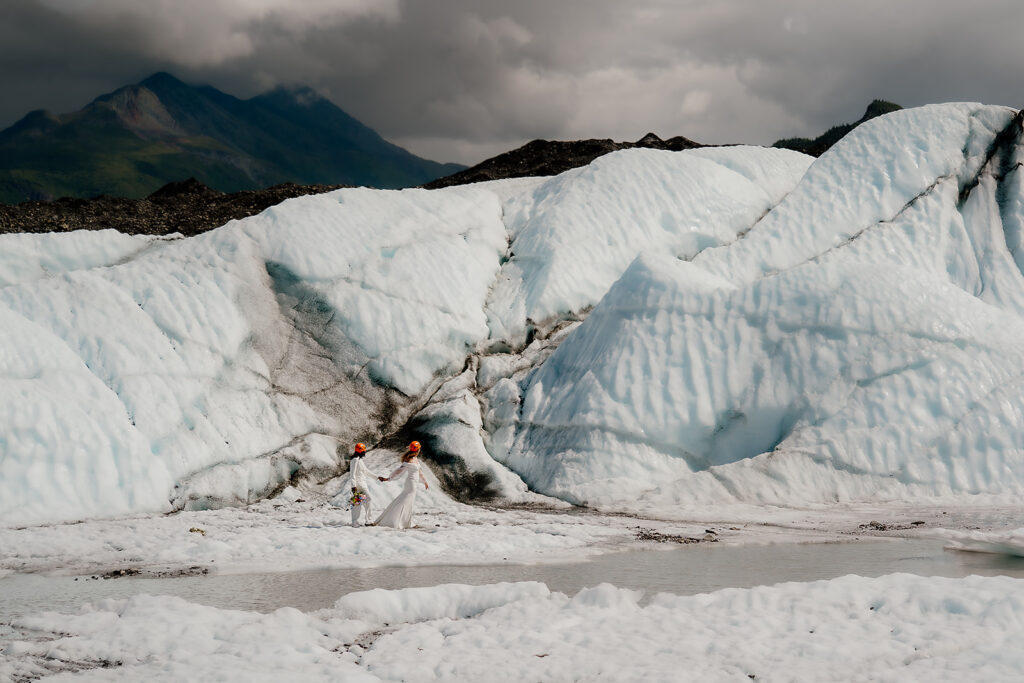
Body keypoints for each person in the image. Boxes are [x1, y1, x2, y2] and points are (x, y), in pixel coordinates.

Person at [374, 441, 430, 529]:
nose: (419, 450)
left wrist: (425, 482)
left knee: (407, 502)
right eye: (419, 449)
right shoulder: (408, 460)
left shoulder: (415, 458)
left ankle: (405, 521)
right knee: (405, 501)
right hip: (410, 483)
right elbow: (398, 471)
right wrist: (388, 478)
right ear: (417, 450)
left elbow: (419, 472)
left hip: (414, 483)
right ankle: (397, 521)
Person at [348, 443, 380, 527]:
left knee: (357, 503)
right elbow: (352, 474)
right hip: (358, 485)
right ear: (361, 451)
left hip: (362, 484)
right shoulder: (355, 460)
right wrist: (353, 486)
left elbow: (366, 471)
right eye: (364, 451)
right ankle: (367, 521)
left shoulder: (359, 460)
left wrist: (377, 477)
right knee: (366, 500)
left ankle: (355, 522)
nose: (365, 452)